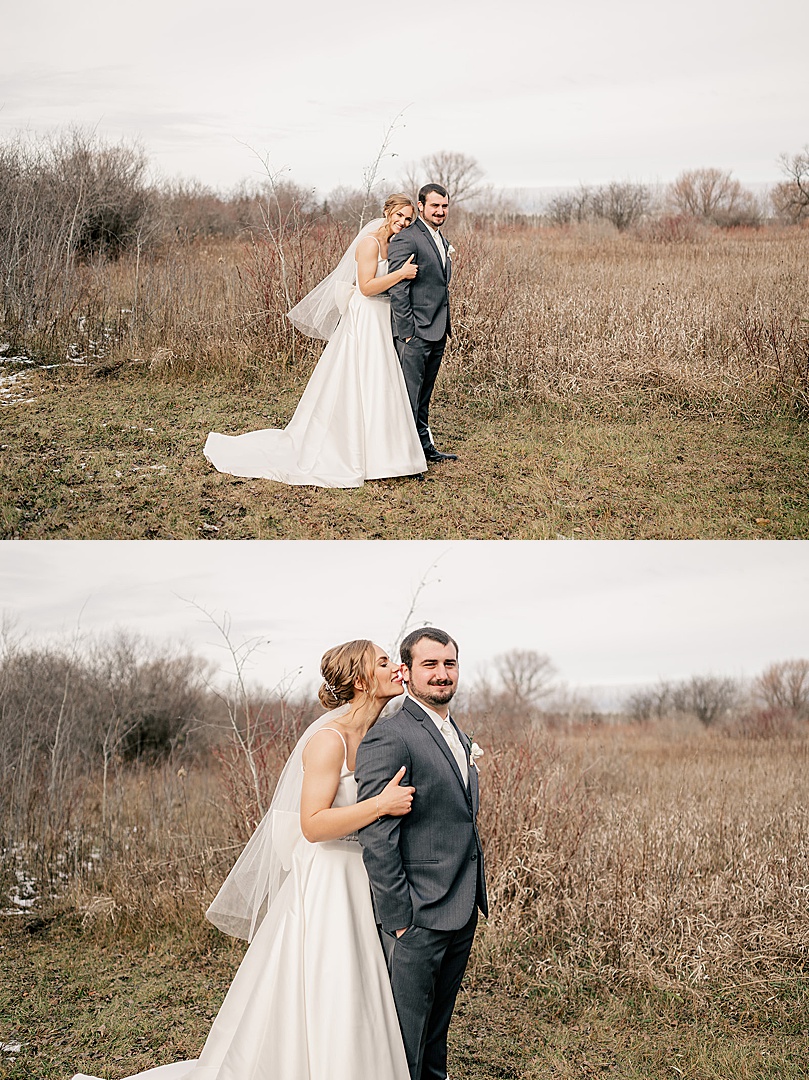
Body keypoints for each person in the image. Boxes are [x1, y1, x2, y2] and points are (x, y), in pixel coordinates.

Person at [72, 640, 416, 1080]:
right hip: (329, 877)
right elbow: (312, 824)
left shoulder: (380, 734)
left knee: (359, 989)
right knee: (331, 981)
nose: (397, 667)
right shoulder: (328, 741)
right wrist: (379, 806)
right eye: (384, 662)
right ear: (362, 680)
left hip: (361, 875)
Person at [203, 195, 427, 488]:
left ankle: (384, 453)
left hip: (381, 318)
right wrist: (400, 274)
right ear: (387, 212)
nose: (404, 222)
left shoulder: (396, 244)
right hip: (366, 314)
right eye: (399, 215)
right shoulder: (369, 243)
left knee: (380, 381)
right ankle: (351, 448)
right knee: (360, 377)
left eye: (409, 219)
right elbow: (367, 287)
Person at [355, 627, 488, 1080]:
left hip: (461, 907)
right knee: (404, 1041)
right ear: (406, 672)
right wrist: (399, 919)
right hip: (416, 917)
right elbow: (376, 834)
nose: (441, 674)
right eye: (429, 665)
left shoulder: (457, 734)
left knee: (436, 1034)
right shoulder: (391, 737)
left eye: (449, 664)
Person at [387, 185, 457, 463]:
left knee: (423, 396)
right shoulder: (407, 238)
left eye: (444, 206)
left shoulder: (441, 238)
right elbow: (398, 289)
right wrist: (407, 333)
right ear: (420, 206)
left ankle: (424, 448)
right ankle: (403, 458)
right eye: (434, 206)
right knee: (408, 397)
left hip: (438, 328)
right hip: (415, 332)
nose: (440, 211)